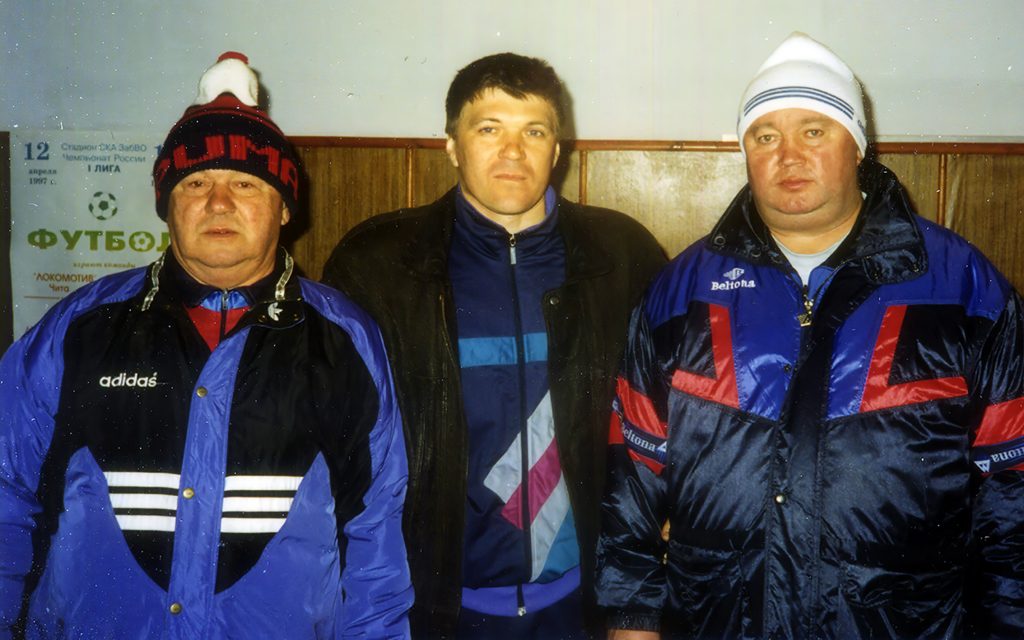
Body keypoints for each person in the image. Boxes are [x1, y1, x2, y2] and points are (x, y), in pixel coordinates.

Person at [597, 32, 1024, 639]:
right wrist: (631, 618)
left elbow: (1012, 488)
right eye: (765, 136)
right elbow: (632, 476)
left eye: (814, 131)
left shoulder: (963, 289)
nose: (788, 156)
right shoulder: (680, 293)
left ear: (858, 146)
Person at [0, 52, 412, 639]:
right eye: (195, 183)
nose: (219, 203)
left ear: (284, 207)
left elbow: (376, 538)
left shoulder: (346, 339)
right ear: (167, 205)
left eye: (245, 183)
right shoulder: (78, 327)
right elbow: (5, 494)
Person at [322, 52, 665, 639]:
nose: (513, 152)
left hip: (582, 608)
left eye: (534, 131)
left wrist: (637, 608)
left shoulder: (622, 255)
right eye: (489, 129)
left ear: (558, 149)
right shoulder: (377, 265)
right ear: (451, 145)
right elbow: (341, 453)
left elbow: (660, 430)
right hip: (432, 612)